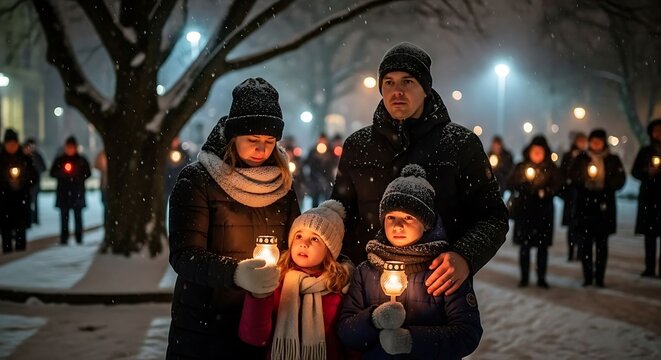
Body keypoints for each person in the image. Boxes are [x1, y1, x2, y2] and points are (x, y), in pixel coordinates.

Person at [331, 42, 509, 297]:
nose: (397, 91)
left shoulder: (460, 145)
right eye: (389, 82)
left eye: (407, 82)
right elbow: (341, 212)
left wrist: (464, 256)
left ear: (425, 89)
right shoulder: (358, 146)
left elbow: (493, 217)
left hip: (434, 291)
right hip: (365, 289)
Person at [166, 77, 301, 358]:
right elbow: (184, 255)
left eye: (269, 141)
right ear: (232, 136)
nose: (261, 149)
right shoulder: (198, 180)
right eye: (252, 140)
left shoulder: (282, 185)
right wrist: (235, 274)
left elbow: (293, 245)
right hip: (205, 328)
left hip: (261, 323)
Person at [337, 164, 482, 358]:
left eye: (408, 217)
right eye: (391, 217)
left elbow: (467, 334)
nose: (398, 225)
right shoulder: (366, 272)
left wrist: (412, 340)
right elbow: (346, 332)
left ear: (426, 223)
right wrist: (373, 321)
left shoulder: (444, 270)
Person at [238, 200, 352, 360]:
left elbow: (350, 343)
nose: (303, 243)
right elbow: (254, 336)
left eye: (315, 239)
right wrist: (259, 296)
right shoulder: (276, 281)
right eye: (298, 236)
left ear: (330, 251)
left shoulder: (339, 286)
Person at [568, 129, 626, 287]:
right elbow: (572, 177)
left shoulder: (612, 159)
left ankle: (600, 277)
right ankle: (587, 276)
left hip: (604, 207)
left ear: (604, 142)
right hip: (585, 206)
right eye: (593, 141)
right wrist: (585, 181)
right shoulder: (581, 158)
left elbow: (620, 180)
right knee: (586, 245)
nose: (595, 144)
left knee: (601, 245)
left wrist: (606, 184)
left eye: (599, 141)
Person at [507, 136, 561, 288]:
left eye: (540, 151)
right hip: (525, 212)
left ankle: (541, 278)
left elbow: (559, 185)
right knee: (525, 247)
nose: (537, 154)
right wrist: (523, 185)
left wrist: (546, 191)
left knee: (542, 248)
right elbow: (510, 182)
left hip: (543, 213)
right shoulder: (521, 166)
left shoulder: (551, 168)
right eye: (534, 151)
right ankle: (524, 277)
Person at [631, 119, 661, 277]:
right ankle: (649, 267)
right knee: (650, 236)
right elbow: (635, 171)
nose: (658, 133)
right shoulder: (645, 151)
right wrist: (647, 173)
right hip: (650, 197)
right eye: (656, 130)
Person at [0, 129, 37, 253]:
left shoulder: (25, 159)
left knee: (20, 227)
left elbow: (34, 176)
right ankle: (7, 249)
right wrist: (6, 184)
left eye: (13, 144)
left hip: (21, 200)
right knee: (6, 229)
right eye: (8, 144)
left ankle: (20, 251)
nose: (11, 147)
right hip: (4, 201)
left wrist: (22, 182)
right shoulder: (1, 159)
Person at [50, 136, 91, 245]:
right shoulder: (60, 160)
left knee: (78, 217)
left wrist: (77, 176)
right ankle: (64, 238)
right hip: (64, 194)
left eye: (72, 147)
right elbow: (52, 172)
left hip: (77, 193)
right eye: (68, 147)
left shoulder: (81, 160)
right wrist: (63, 175)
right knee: (64, 218)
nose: (70, 149)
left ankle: (79, 237)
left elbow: (88, 173)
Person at [559, 132, 588, 261]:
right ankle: (571, 252)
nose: (582, 143)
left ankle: (581, 252)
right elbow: (563, 173)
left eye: (584, 141)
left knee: (581, 226)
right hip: (571, 196)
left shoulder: (587, 156)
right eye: (580, 141)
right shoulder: (568, 156)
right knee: (571, 226)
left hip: (583, 196)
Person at [304, 133, 335, 208]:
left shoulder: (330, 151)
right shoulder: (313, 151)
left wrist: (327, 159)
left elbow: (335, 162)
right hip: (315, 180)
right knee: (315, 201)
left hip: (327, 180)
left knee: (327, 201)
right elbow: (306, 162)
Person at [23, 138, 47, 225]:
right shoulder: (24, 156)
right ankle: (29, 219)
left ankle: (35, 219)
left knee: (34, 202)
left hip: (35, 184)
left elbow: (43, 168)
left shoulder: (37, 156)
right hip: (26, 185)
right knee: (27, 203)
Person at [164, 136, 191, 208]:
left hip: (177, 184)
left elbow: (187, 165)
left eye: (176, 140)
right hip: (166, 184)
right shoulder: (164, 152)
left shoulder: (183, 153)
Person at [94, 149, 108, 225]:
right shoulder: (102, 155)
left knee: (107, 206)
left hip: (105, 185)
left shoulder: (102, 155)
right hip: (105, 186)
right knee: (106, 206)